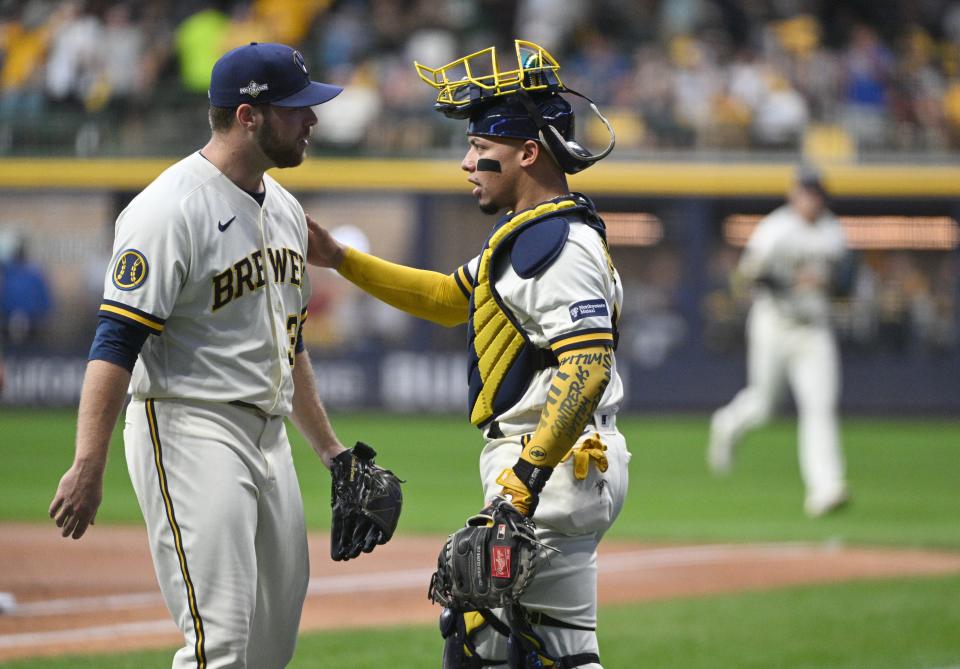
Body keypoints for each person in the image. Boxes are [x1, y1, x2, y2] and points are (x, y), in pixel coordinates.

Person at [308, 40, 629, 668]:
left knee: (481, 638)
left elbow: (587, 365)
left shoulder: (553, 245)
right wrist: (343, 260)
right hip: (568, 462)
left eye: (482, 151)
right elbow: (450, 297)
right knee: (561, 648)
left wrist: (525, 482)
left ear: (528, 153)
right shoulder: (536, 234)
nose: (467, 163)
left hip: (549, 464)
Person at [49, 42, 370, 668]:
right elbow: (116, 342)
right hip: (188, 423)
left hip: (267, 433)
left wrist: (329, 450)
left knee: (272, 641)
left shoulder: (283, 206)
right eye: (295, 108)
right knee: (218, 638)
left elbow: (290, 339)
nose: (312, 120)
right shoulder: (167, 210)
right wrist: (89, 462)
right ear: (248, 116)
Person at [707, 167, 854, 517]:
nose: (812, 198)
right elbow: (746, 276)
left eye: (817, 192)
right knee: (764, 404)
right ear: (795, 194)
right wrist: (787, 282)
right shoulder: (776, 228)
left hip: (815, 328)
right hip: (774, 324)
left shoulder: (833, 232)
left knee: (819, 408)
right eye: (807, 191)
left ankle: (826, 488)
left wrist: (829, 285)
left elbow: (846, 280)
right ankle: (727, 423)